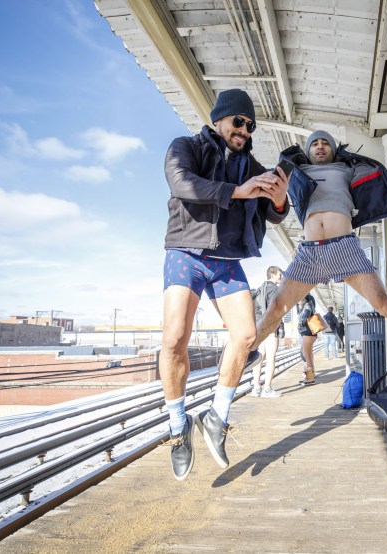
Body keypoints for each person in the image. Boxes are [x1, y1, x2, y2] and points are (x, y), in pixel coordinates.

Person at [160, 89, 290, 481]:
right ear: (219, 119)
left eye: (250, 126)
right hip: (186, 252)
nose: (244, 131)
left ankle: (216, 417)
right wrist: (237, 190)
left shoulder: (254, 166)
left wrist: (280, 199)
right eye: (238, 122)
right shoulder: (186, 146)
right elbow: (182, 183)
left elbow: (273, 213)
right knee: (174, 339)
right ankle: (177, 427)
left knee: (248, 335)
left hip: (226, 260)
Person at [249, 131, 387, 374]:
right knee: (276, 306)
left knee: (385, 305)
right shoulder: (296, 174)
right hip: (309, 254)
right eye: (314, 143)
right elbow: (273, 198)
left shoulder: (349, 169)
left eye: (326, 142)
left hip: (345, 248)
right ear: (307, 150)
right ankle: (247, 351)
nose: (320, 146)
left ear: (334, 149)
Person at [251, 266, 284, 398]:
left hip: (259, 326)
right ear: (272, 274)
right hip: (271, 327)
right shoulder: (275, 289)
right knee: (271, 357)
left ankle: (256, 388)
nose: (281, 277)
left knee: (260, 356)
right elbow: (276, 310)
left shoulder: (260, 289)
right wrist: (279, 327)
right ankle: (267, 389)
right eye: (279, 274)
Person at [297, 294, 319, 385]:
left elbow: (303, 319)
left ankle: (310, 379)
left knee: (308, 357)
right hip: (309, 333)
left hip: (307, 333)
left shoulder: (307, 306)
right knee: (308, 356)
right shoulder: (308, 305)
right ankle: (310, 377)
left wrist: (300, 323)